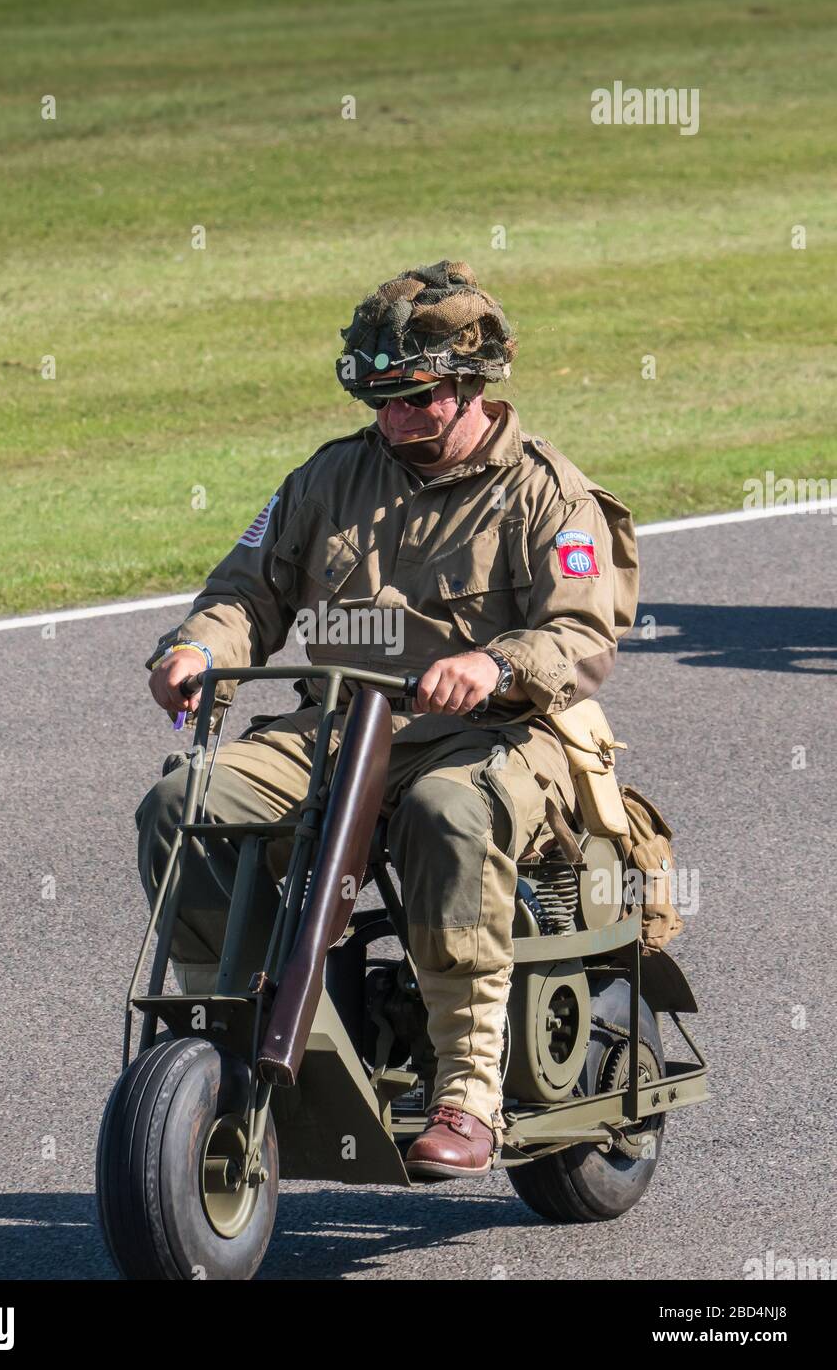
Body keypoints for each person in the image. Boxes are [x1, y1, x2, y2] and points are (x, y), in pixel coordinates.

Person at [136, 260, 638, 1179]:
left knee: (449, 814)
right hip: (334, 727)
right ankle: (236, 1036)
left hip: (489, 736)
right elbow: (247, 590)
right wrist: (199, 649)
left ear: (471, 383)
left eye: (416, 400)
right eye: (381, 400)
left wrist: (492, 663)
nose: (395, 419)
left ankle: (468, 1091)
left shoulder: (547, 494)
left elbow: (582, 631)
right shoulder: (328, 478)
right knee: (184, 801)